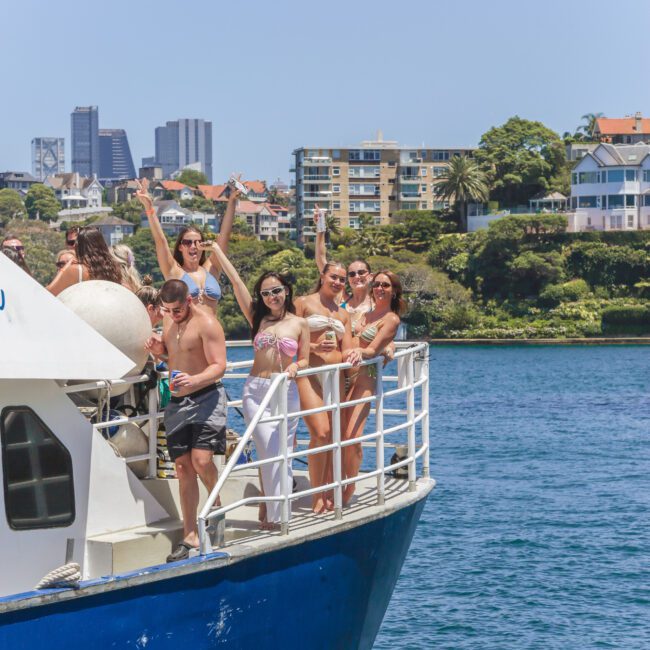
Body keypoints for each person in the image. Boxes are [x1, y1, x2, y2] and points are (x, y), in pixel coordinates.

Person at [211, 243, 310, 528]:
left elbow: (304, 360)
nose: (271, 297)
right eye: (266, 293)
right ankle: (275, 515)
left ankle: (276, 515)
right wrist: (218, 251)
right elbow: (237, 282)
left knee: (282, 453)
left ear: (286, 291)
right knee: (268, 449)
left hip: (285, 391)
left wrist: (294, 367)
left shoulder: (300, 323)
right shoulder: (257, 318)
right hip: (255, 391)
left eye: (276, 291)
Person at [145, 279, 227, 561]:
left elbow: (219, 366)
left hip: (207, 397)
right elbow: (175, 354)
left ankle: (215, 500)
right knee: (182, 467)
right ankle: (189, 534)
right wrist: (160, 350)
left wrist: (195, 378)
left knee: (202, 461)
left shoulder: (207, 323)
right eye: (167, 309)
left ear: (189, 301)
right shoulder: (168, 320)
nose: (173, 314)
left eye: (177, 309)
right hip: (177, 402)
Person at [294, 261, 354, 513]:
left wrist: (357, 356)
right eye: (334, 277)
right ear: (322, 275)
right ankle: (317, 494)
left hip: (335, 376)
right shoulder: (303, 303)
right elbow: (289, 336)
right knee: (320, 433)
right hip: (310, 373)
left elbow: (348, 346)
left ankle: (328, 488)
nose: (338, 282)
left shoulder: (343, 314)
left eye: (342, 279)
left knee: (332, 437)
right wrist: (314, 348)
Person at [342, 271, 405, 504]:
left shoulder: (391, 319)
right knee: (338, 435)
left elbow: (373, 349)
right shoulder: (365, 314)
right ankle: (338, 480)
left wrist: (363, 351)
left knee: (352, 436)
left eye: (385, 285)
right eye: (377, 284)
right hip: (345, 377)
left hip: (365, 380)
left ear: (393, 290)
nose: (380, 288)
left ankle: (349, 484)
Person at [134, 178, 239, 313]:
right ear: (180, 247)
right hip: (187, 333)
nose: (193, 246)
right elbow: (160, 241)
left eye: (197, 242)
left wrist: (232, 201)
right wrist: (149, 207)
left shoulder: (211, 269)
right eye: (187, 242)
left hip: (213, 332)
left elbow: (224, 237)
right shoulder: (174, 271)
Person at [47, 226, 123, 296]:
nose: (74, 246)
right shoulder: (114, 268)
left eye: (76, 243)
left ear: (79, 246)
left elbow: (48, 293)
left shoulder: (77, 270)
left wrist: (65, 268)